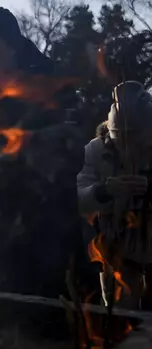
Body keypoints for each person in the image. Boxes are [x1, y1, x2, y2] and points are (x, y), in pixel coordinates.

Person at [0, 7, 87, 297]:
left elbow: (68, 152)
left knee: (41, 332)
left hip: (43, 240)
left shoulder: (51, 85)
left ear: (12, 43)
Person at [77, 81, 152, 309]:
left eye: (137, 137)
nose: (130, 147)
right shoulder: (94, 152)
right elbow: (76, 197)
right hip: (116, 255)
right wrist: (104, 191)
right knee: (120, 323)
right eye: (123, 138)